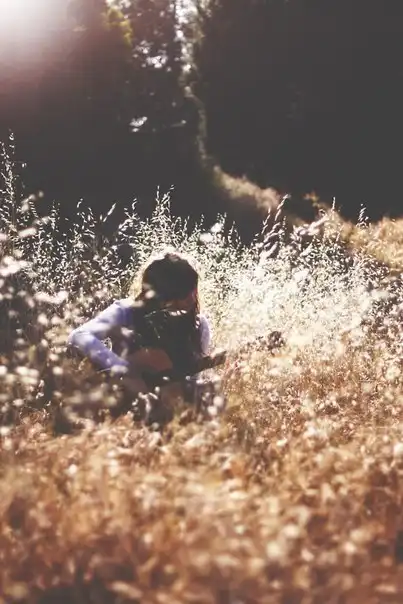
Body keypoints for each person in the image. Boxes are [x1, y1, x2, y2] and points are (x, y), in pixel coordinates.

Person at [67, 252, 212, 397]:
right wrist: (122, 368)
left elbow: (190, 383)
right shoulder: (126, 311)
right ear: (159, 296)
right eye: (183, 293)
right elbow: (79, 336)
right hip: (122, 397)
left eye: (193, 288)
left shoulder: (199, 326)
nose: (192, 298)